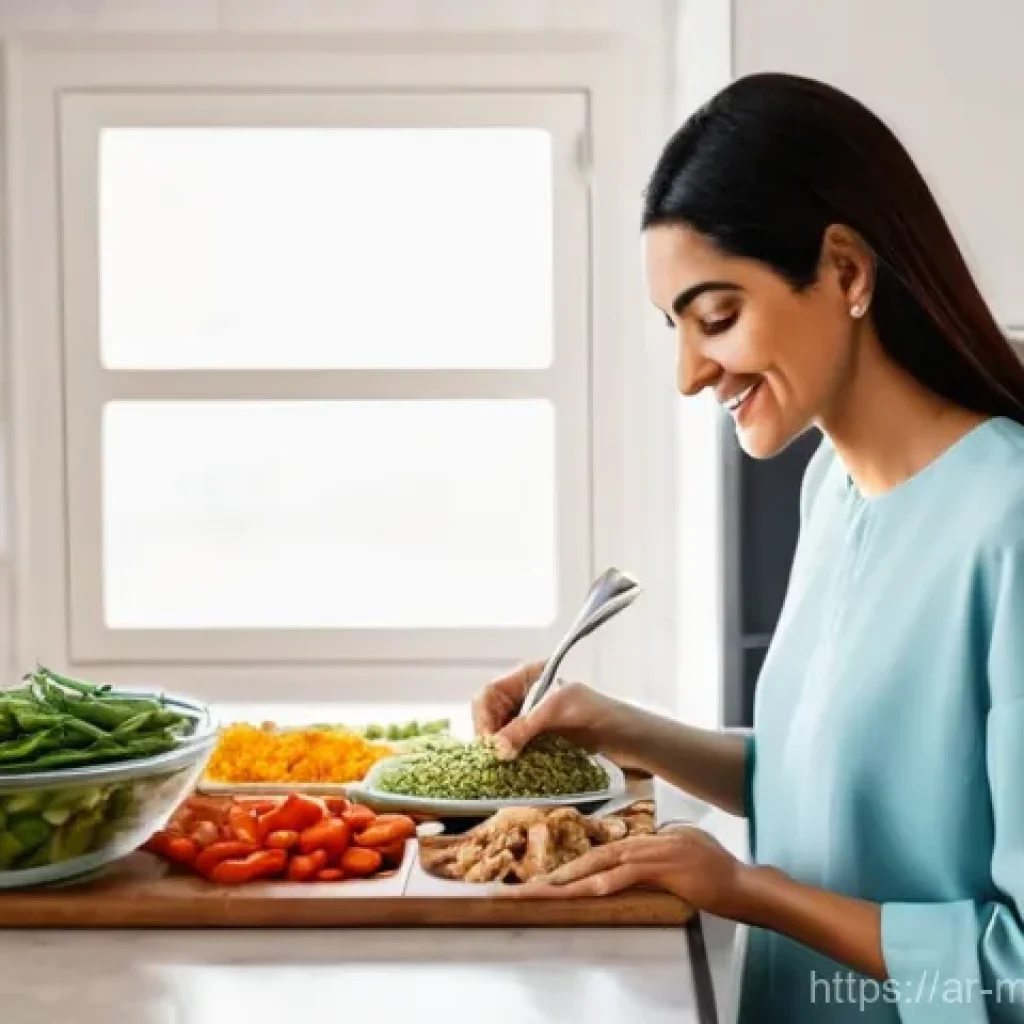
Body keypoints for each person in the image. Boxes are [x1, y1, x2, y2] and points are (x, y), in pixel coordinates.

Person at [470, 72, 1024, 1023]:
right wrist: (615, 727)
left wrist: (747, 890)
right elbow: (824, 784)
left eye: (717, 318)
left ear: (846, 272)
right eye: (676, 330)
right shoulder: (831, 487)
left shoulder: (1008, 520)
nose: (690, 374)